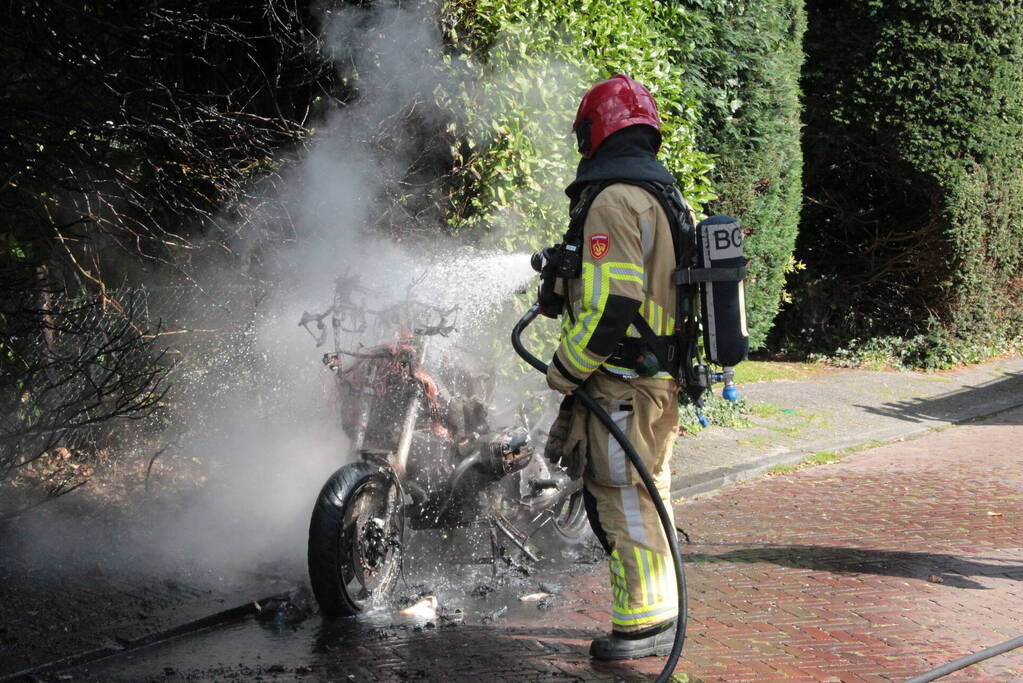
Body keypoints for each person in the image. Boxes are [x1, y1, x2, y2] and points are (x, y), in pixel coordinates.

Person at [544, 74, 690, 660]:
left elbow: (613, 303)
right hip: (653, 380)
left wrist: (566, 367)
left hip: (623, 384)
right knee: (648, 492)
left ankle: (642, 625)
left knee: (621, 496)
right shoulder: (658, 193)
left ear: (596, 130)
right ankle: (660, 609)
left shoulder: (611, 199)